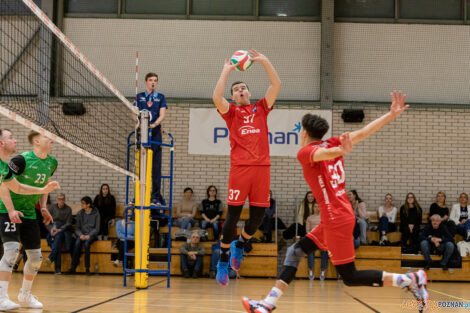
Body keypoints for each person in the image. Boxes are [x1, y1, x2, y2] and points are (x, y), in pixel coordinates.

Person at [242, 91, 429, 313]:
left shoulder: (307, 152)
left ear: (303, 133)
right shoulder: (329, 144)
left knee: (349, 276)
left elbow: (322, 155)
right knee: (295, 251)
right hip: (335, 217)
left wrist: (340, 150)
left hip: (335, 219)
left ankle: (410, 279)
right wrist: (389, 115)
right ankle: (268, 303)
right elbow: (363, 132)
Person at [212, 49, 281, 286]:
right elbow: (216, 97)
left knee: (258, 218)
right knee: (231, 218)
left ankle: (239, 245)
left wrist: (264, 60)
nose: (240, 91)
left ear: (249, 93)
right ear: (233, 97)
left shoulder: (261, 108)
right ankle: (222, 260)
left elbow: (276, 84)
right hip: (240, 168)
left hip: (262, 168)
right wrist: (226, 70)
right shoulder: (231, 113)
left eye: (243, 88)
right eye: (236, 90)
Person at [0, 130, 60, 310]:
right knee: (11, 252)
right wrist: (10, 209)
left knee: (35, 258)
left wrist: (43, 206)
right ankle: (1, 297)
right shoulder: (19, 160)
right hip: (6, 210)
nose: (52, 139)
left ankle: (24, 295)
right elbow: (7, 187)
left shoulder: (52, 162)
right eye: (47, 136)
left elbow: (34, 186)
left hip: (28, 213)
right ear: (36, 141)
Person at [133, 72, 167, 206]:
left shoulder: (161, 97)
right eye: (151, 80)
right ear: (146, 82)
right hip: (141, 132)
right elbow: (134, 112)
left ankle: (155, 197)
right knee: (140, 166)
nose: (153, 82)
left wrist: (155, 124)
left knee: (156, 167)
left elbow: (162, 115)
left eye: (155, 80)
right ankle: (138, 196)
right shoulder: (139, 96)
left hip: (155, 133)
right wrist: (139, 122)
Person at [67, 196, 100, 275]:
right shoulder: (80, 213)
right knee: (77, 243)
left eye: (83, 203)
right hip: (82, 235)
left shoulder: (96, 213)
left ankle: (87, 269)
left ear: (88, 204)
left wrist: (89, 235)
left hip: (92, 235)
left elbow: (97, 228)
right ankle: (73, 267)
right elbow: (77, 228)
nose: (81, 205)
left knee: (86, 244)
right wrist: (81, 235)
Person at [44, 193, 73, 274]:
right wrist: (51, 230)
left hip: (63, 230)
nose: (61, 201)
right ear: (57, 200)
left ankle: (51, 258)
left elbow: (68, 223)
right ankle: (57, 269)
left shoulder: (68, 209)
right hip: (53, 229)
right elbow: (47, 221)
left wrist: (60, 230)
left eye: (62, 199)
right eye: (59, 199)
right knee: (57, 242)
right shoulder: (52, 208)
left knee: (58, 237)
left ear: (64, 200)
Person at [305, 201, 328, 281]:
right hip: (313, 239)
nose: (317, 208)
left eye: (318, 206)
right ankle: (310, 271)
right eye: (315, 206)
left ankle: (322, 271)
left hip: (322, 239)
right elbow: (307, 231)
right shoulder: (309, 218)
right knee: (310, 251)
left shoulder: (324, 217)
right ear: (313, 208)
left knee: (325, 251)